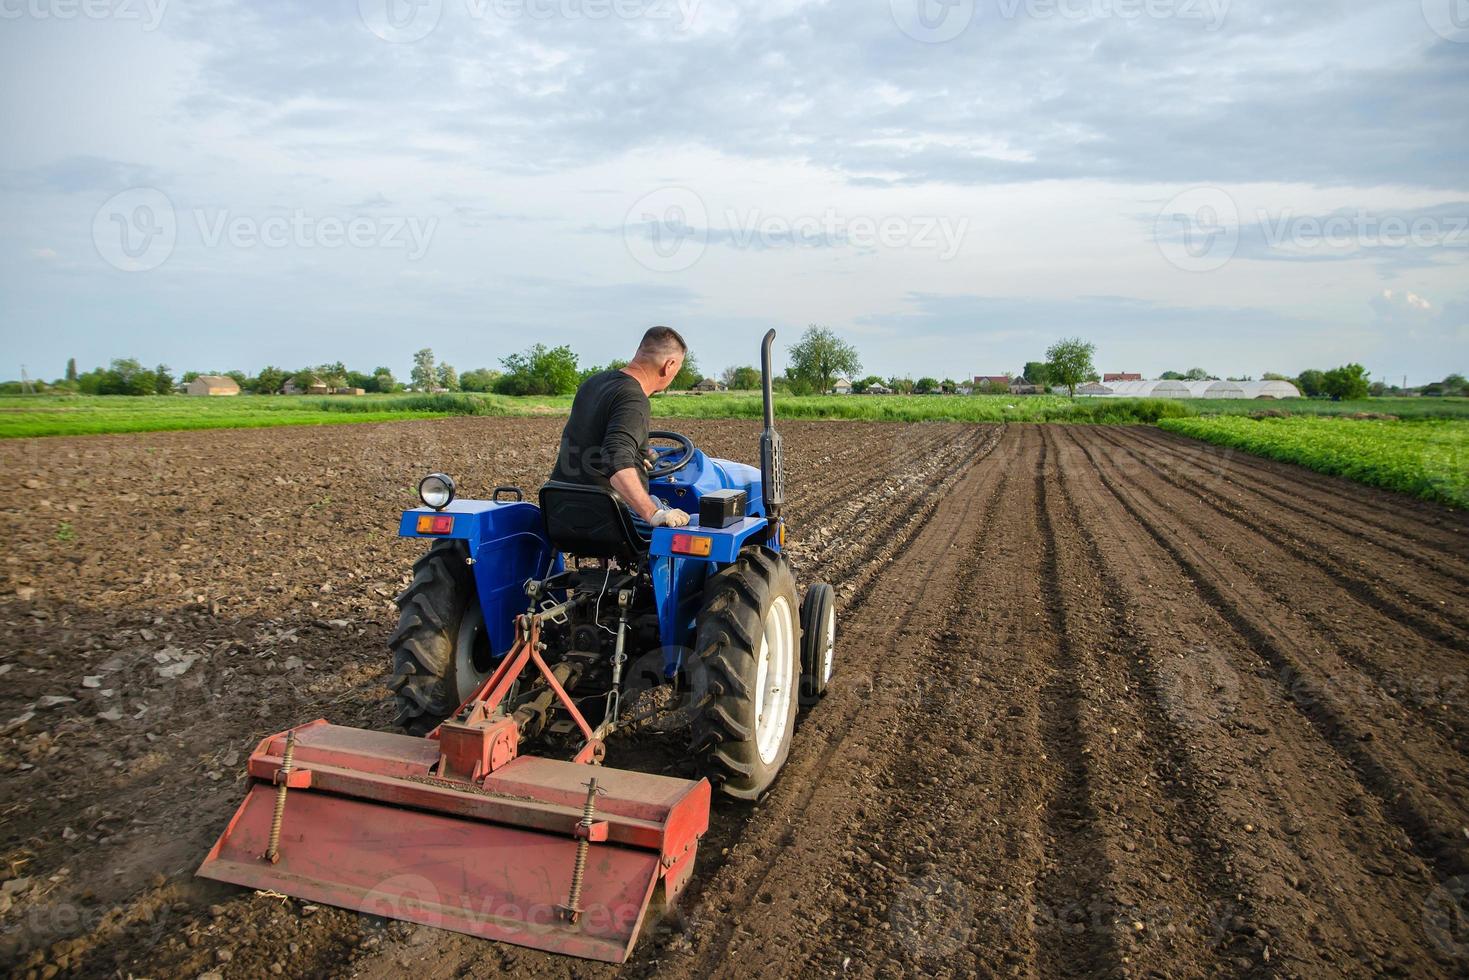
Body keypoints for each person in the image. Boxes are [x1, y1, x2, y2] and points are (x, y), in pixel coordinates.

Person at [548, 326, 692, 528]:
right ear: (669, 365)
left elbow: (591, 438)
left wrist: (635, 457)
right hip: (608, 515)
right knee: (695, 521)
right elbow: (616, 459)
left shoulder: (593, 382)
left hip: (560, 508)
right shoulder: (634, 398)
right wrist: (653, 513)